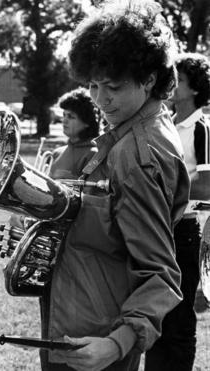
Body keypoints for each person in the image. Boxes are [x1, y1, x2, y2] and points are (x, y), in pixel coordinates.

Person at [35, 1, 192, 370]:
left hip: (96, 341)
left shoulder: (136, 154)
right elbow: (116, 229)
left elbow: (159, 272)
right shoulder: (140, 126)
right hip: (85, 323)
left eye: (114, 87)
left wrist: (116, 344)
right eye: (92, 85)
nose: (100, 99)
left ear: (149, 78)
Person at [145, 52, 210, 371]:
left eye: (179, 80)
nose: (172, 85)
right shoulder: (161, 122)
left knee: (180, 319)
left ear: (195, 88)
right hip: (156, 229)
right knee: (154, 313)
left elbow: (208, 185)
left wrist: (163, 187)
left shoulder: (203, 128)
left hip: (183, 231)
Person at [49, 87, 100, 180]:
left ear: (87, 122)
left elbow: (91, 192)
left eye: (71, 117)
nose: (64, 121)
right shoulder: (56, 153)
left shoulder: (94, 155)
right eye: (64, 115)